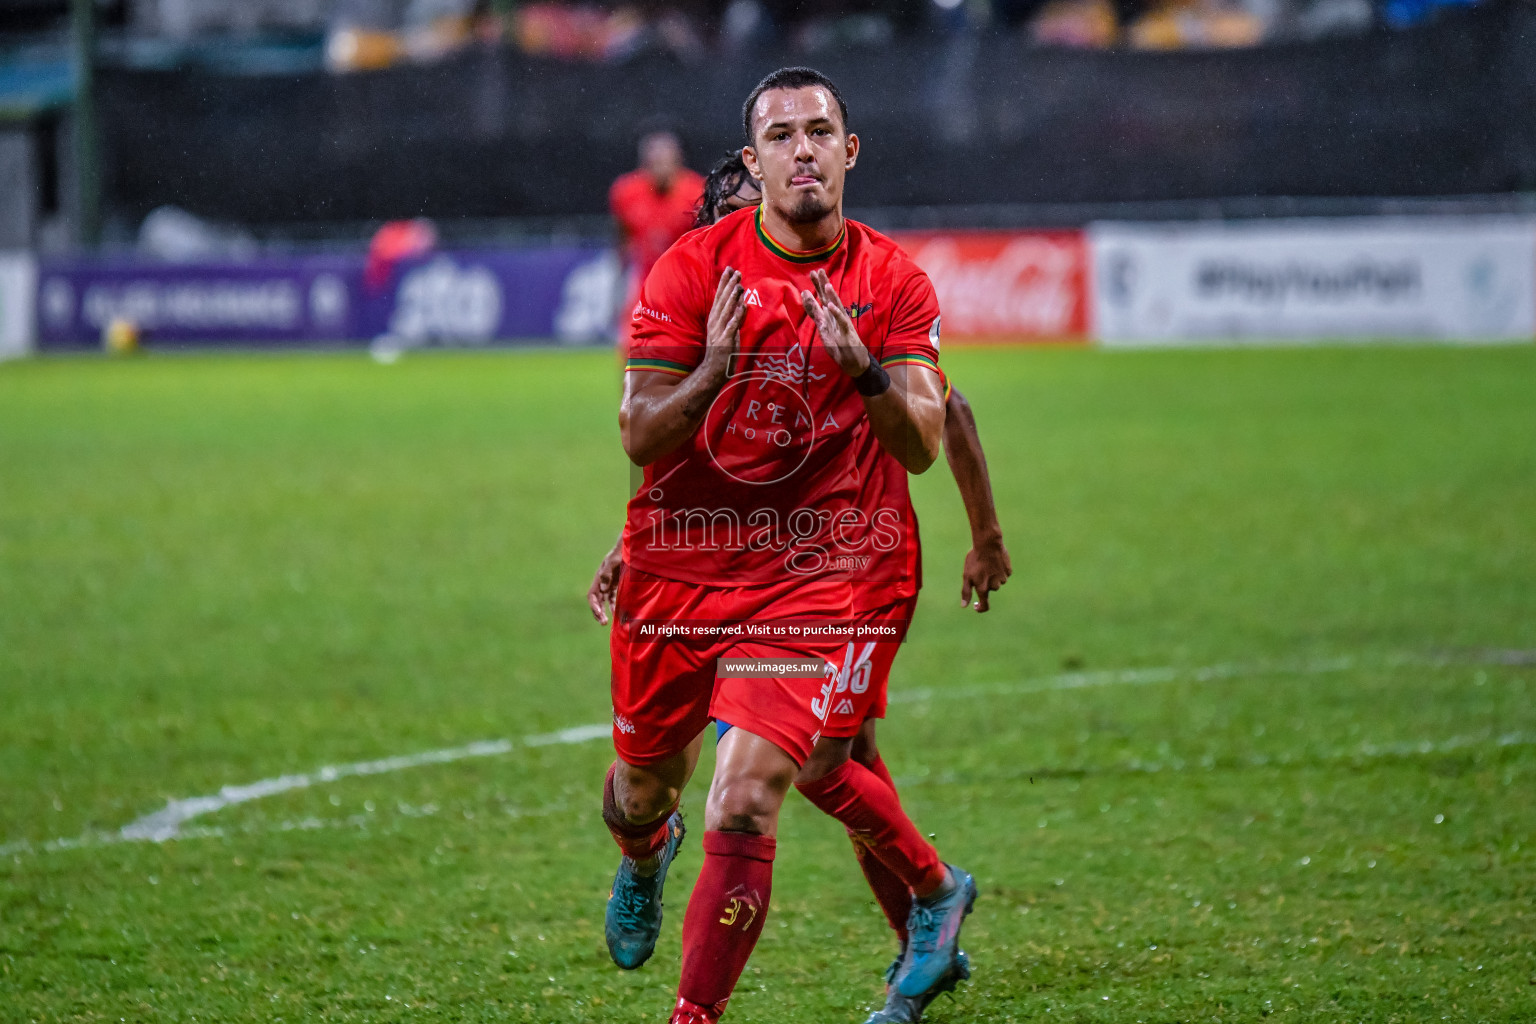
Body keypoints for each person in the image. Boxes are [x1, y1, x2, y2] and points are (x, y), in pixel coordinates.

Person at [588, 153, 1010, 1024]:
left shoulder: (854, 291)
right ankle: (924, 924)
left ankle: (923, 926)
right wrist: (633, 544)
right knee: (682, 787)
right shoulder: (706, 291)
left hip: (842, 568)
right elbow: (680, 456)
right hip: (709, 574)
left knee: (803, 771)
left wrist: (985, 535)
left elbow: (944, 414)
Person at [611, 128, 707, 355]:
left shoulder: (696, 191)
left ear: (678, 161)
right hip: (645, 285)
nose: (660, 168)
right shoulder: (626, 192)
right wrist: (616, 286)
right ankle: (636, 391)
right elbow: (622, 239)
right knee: (631, 349)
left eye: (666, 161)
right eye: (654, 162)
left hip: (685, 287)